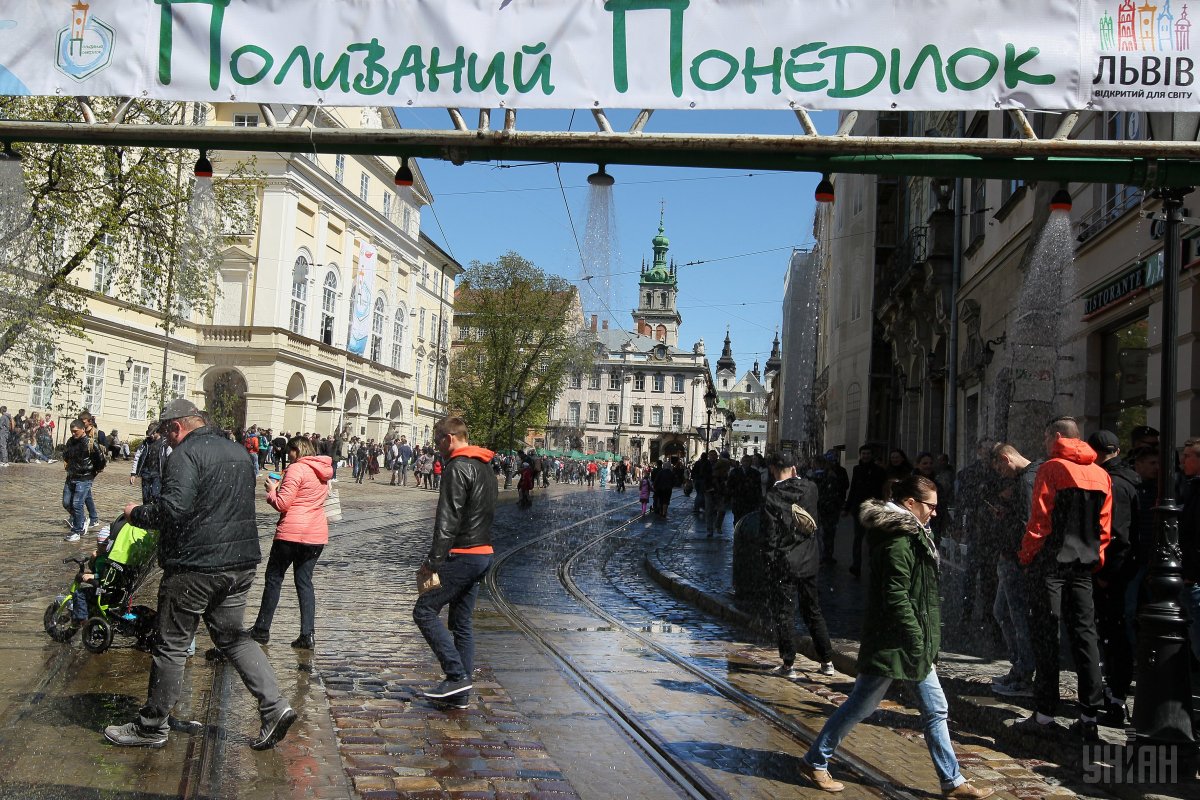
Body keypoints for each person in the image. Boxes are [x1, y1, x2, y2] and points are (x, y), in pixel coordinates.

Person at [105, 399, 295, 750]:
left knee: (172, 644)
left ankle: (151, 726)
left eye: (166, 433)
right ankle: (275, 706)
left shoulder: (185, 455)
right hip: (239, 564)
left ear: (176, 427)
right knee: (234, 638)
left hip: (196, 567)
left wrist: (136, 513)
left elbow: (173, 509)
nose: (167, 440)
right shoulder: (239, 452)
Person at [799, 476, 993, 800]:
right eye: (930, 505)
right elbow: (896, 596)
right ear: (910, 504)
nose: (934, 511)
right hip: (895, 641)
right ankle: (815, 760)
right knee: (862, 705)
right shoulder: (898, 540)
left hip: (907, 640)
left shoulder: (912, 534)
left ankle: (953, 781)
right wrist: (918, 638)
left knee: (934, 709)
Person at [1017, 416, 1110, 742]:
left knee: (1047, 636)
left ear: (1056, 436)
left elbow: (1039, 521)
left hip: (1052, 566)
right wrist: (1096, 561)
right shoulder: (1101, 474)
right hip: (1083, 567)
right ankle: (1089, 717)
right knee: (1087, 639)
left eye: (1045, 438)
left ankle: (1044, 714)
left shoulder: (1052, 468)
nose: (1043, 443)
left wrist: (1026, 556)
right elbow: (1104, 527)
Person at [413, 416, 497, 708]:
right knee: (461, 623)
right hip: (483, 552)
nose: (437, 448)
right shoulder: (485, 467)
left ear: (449, 438)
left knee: (424, 611)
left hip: (463, 553)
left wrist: (432, 562)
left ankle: (456, 675)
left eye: (438, 441)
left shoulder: (457, 467)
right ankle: (460, 696)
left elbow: (447, 520)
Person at [249, 435, 332, 650]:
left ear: (297, 450)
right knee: (304, 582)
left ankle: (261, 629)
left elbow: (283, 504)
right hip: (316, 535)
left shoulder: (297, 469)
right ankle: (307, 634)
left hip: (291, 533)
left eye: (290, 452)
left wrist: (271, 490)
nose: (288, 455)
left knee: (274, 578)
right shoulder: (323, 471)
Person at [762, 451, 835, 679]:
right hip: (809, 559)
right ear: (794, 468)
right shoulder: (811, 488)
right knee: (813, 610)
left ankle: (788, 664)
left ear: (774, 470)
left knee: (784, 613)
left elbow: (770, 535)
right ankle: (827, 660)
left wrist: (769, 561)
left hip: (784, 561)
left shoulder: (772, 496)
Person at [1085, 429, 1140, 724]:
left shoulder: (1113, 483)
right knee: (1115, 635)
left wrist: (1105, 573)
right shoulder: (1129, 479)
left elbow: (1116, 535)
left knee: (1114, 636)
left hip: (1115, 573)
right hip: (1123, 570)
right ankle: (1115, 694)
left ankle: (1116, 699)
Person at [989, 444, 1038, 698]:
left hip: (1018, 560)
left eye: (998, 466)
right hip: (1010, 556)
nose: (999, 472)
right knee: (1003, 612)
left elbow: (1029, 522)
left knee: (1017, 616)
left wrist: (1024, 558)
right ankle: (1019, 666)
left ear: (1006, 459)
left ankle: (1024, 673)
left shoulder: (1027, 480)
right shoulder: (1023, 479)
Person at [844, 446, 886, 577]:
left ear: (871, 455)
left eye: (868, 453)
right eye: (863, 453)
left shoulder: (879, 471)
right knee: (858, 538)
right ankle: (856, 565)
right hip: (859, 509)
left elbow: (882, 491)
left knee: (872, 538)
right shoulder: (857, 469)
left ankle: (874, 565)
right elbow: (853, 489)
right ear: (860, 455)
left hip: (873, 509)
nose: (866, 456)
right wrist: (847, 507)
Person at [62, 419, 106, 542]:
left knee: (77, 504)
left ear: (82, 429)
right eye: (71, 431)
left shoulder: (91, 443)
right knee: (66, 503)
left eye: (75, 431)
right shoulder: (71, 441)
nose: (73, 434)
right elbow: (66, 455)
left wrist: (92, 472)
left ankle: (77, 530)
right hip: (71, 477)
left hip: (84, 478)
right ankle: (81, 520)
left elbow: (101, 460)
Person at [1179, 437, 1200, 661]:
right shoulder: (1191, 486)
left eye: (1187, 457)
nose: (1182, 461)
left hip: (1194, 577)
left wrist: (1191, 575)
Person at [130, 424, 168, 504]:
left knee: (156, 495)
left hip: (158, 474)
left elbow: (170, 458)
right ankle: (146, 513)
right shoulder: (145, 443)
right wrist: (133, 473)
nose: (151, 436)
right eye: (150, 434)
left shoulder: (164, 443)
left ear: (158, 432)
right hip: (146, 473)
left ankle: (155, 514)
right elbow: (137, 457)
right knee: (146, 496)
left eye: (153, 433)